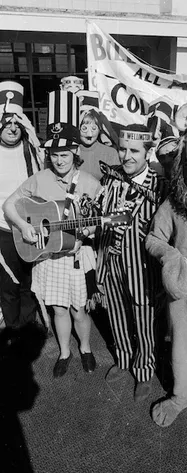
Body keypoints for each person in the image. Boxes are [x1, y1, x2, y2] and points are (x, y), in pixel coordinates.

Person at [3, 91, 101, 378]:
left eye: (65, 154)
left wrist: (90, 229)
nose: (59, 160)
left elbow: (97, 223)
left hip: (75, 256)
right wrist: (23, 226)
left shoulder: (90, 183)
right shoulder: (39, 179)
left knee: (79, 310)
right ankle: (64, 352)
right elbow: (9, 205)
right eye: (55, 155)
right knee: (58, 310)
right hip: (48, 256)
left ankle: (84, 348)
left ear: (75, 154)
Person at [96, 123, 168, 403]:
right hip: (111, 261)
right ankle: (124, 357)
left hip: (142, 267)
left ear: (148, 152)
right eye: (123, 149)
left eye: (134, 151)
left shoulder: (160, 188)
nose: (127, 156)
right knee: (115, 312)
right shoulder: (111, 181)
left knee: (144, 318)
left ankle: (144, 369)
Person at [0, 81, 43, 329]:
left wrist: (30, 129)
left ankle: (28, 328)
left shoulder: (30, 150)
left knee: (29, 281)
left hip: (29, 227)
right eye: (8, 122)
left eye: (17, 123)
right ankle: (13, 329)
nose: (13, 127)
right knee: (8, 285)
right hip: (2, 230)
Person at [77, 90, 119, 180]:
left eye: (93, 128)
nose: (89, 134)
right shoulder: (71, 152)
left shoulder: (110, 153)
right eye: (84, 128)